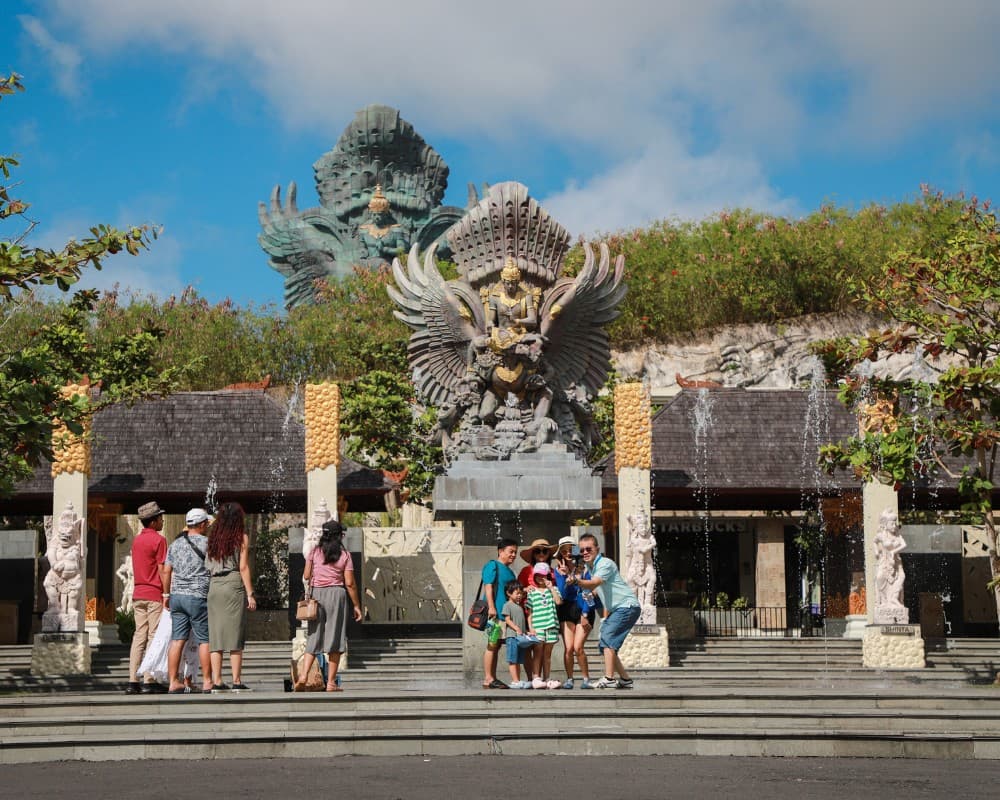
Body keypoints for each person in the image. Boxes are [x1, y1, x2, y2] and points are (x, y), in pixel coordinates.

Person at [295, 519, 362, 692]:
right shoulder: (345, 555)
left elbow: (307, 575)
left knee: (314, 636)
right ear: (339, 536)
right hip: (336, 595)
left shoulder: (314, 552)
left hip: (317, 595)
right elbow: (350, 583)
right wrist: (356, 605)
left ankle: (303, 676)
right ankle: (331, 683)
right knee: (336, 638)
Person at [575, 533, 640, 689]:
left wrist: (578, 581)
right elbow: (599, 588)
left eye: (588, 549)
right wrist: (591, 593)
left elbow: (594, 583)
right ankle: (625, 679)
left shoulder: (605, 563)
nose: (585, 552)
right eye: (581, 550)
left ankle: (609, 678)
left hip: (626, 606)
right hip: (620, 608)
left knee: (608, 639)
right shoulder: (592, 567)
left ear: (597, 548)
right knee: (606, 644)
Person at [205, 502, 256, 692]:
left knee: (216, 637)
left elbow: (208, 565)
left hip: (214, 586)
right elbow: (243, 567)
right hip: (233, 584)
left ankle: (217, 681)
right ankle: (236, 680)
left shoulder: (212, 539)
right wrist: (250, 593)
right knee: (235, 635)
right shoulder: (241, 538)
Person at [162, 508, 214, 693]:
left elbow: (167, 571)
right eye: (206, 523)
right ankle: (208, 681)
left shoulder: (175, 544)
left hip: (177, 597)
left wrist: (166, 595)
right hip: (198, 596)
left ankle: (173, 681)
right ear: (201, 524)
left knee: (177, 640)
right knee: (204, 640)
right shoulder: (208, 544)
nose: (207, 525)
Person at [127, 500, 168, 695]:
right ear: (153, 521)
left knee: (139, 636)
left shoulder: (136, 540)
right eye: (160, 517)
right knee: (153, 636)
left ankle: (132, 680)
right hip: (153, 593)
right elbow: (162, 569)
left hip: (138, 593)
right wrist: (167, 593)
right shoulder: (159, 540)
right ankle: (149, 679)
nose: (162, 520)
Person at [552, 535, 595, 689]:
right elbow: (562, 595)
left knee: (578, 647)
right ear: (560, 554)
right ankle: (570, 679)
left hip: (583, 608)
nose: (568, 553)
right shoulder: (557, 571)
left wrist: (585, 615)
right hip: (566, 610)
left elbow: (589, 592)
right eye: (564, 551)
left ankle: (586, 679)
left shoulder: (583, 568)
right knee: (569, 648)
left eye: (570, 549)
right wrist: (563, 577)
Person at [481, 537, 518, 689]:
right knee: (492, 643)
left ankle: (492, 678)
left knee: (497, 646)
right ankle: (488, 678)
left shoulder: (510, 571)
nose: (514, 555)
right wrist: (491, 607)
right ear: (500, 551)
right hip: (495, 615)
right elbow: (488, 586)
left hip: (507, 615)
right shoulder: (492, 565)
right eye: (511, 552)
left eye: (516, 552)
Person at [525, 563, 562, 689]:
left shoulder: (554, 589)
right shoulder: (532, 592)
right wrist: (531, 627)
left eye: (544, 575)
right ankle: (536, 677)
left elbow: (558, 602)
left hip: (552, 626)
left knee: (547, 655)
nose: (541, 578)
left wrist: (551, 588)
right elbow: (529, 612)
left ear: (548, 576)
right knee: (537, 652)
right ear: (534, 576)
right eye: (538, 575)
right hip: (538, 626)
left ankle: (547, 678)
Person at [499, 580, 538, 689]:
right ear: (509, 593)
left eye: (521, 593)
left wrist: (526, 632)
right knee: (512, 660)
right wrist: (516, 628)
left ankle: (518, 680)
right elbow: (507, 619)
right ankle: (515, 681)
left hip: (520, 637)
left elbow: (521, 623)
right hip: (512, 637)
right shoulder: (507, 605)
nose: (520, 595)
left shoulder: (520, 607)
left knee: (518, 660)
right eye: (517, 593)